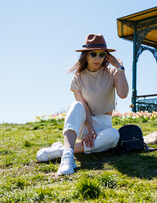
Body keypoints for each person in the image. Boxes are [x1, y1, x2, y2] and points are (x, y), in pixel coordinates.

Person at [36, 33, 129, 175]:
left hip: (104, 125)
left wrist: (120, 67)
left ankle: (61, 151)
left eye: (102, 54)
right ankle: (67, 159)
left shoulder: (112, 73)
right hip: (85, 123)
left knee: (114, 135)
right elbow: (83, 106)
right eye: (93, 54)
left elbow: (123, 94)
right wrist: (90, 126)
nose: (98, 58)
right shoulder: (78, 77)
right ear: (85, 55)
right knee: (75, 105)